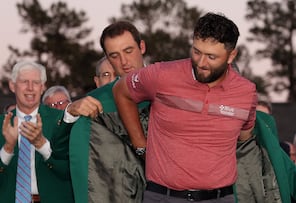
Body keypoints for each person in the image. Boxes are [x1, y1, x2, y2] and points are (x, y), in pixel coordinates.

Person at [113, 12, 257, 203]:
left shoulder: (247, 93)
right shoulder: (161, 75)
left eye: (212, 57)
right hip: (162, 197)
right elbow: (120, 91)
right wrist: (140, 145)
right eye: (197, 52)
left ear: (231, 56)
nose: (201, 63)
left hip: (220, 198)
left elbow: (244, 139)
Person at [69, 20, 149, 203]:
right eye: (114, 55)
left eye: (128, 51)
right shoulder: (97, 101)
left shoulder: (169, 88)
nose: (124, 62)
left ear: (142, 46)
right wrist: (69, 111)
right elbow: (62, 148)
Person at [0, 61, 102, 203]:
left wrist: (42, 145)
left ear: (43, 87)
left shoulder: (63, 121)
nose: (30, 88)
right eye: (24, 82)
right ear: (12, 86)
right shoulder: (2, 124)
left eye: (36, 82)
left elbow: (73, 170)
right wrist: (8, 148)